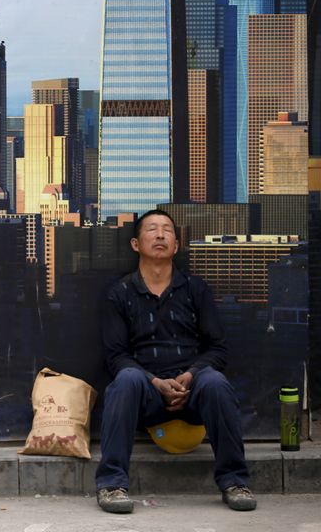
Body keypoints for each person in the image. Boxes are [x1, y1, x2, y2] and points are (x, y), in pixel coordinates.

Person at [95, 210, 256, 514]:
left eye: (167, 230)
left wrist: (191, 375)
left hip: (192, 390)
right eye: (152, 230)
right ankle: (112, 485)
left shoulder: (195, 289)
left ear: (176, 244)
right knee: (125, 381)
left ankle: (235, 481)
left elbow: (217, 349)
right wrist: (154, 382)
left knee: (216, 383)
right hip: (145, 393)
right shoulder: (120, 293)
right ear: (134, 244)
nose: (159, 235)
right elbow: (116, 356)